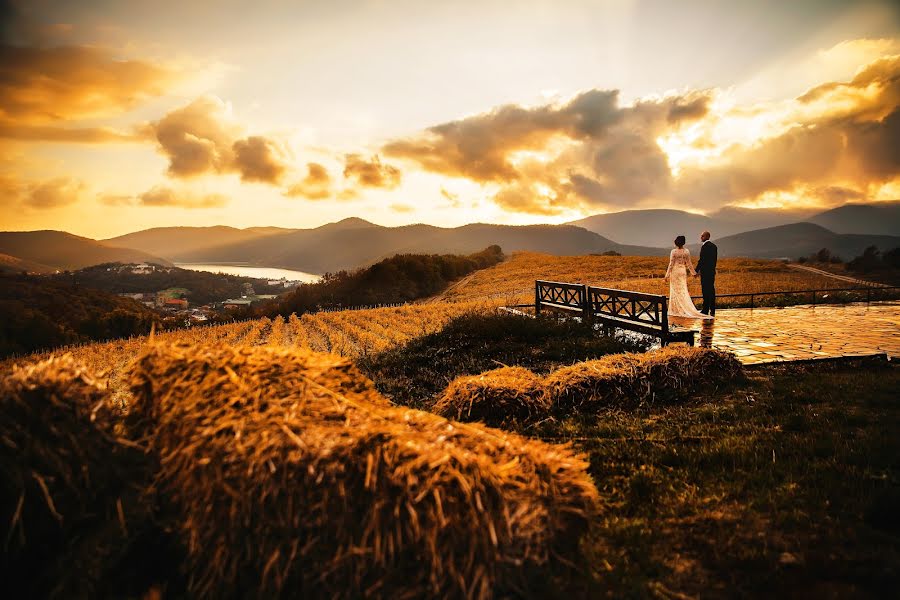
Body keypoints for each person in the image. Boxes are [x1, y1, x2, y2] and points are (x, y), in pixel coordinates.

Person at [665, 235, 712, 319]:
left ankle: (675, 309)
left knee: (675, 291)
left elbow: (671, 264)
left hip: (675, 272)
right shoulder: (686, 251)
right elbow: (689, 264)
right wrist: (694, 273)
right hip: (682, 272)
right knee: (683, 290)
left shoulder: (673, 252)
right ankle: (684, 308)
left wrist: (667, 275)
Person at [695, 230, 718, 316]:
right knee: (711, 290)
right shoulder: (714, 246)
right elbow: (714, 260)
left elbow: (702, 260)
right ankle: (712, 309)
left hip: (705, 273)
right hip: (711, 272)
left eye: (702, 236)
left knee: (705, 291)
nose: (701, 237)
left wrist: (696, 271)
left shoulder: (704, 247)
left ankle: (705, 309)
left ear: (707, 237)